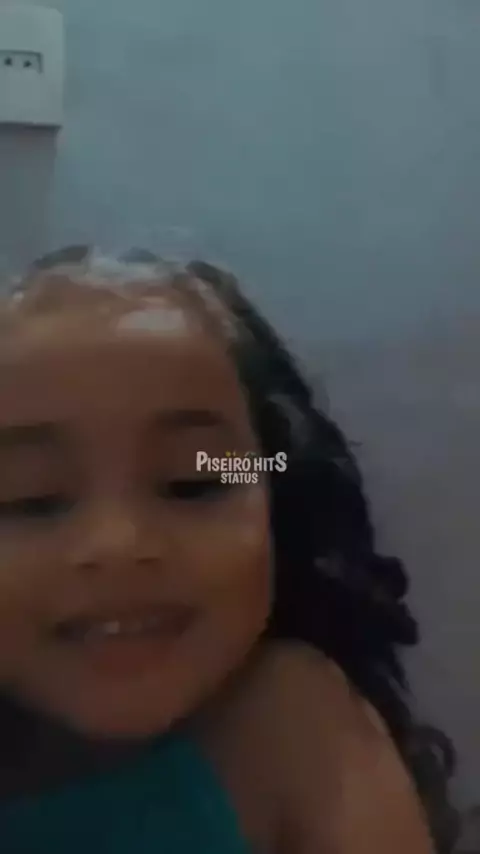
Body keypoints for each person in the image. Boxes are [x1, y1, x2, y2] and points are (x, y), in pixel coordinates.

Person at [0, 246, 447, 852]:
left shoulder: (289, 725)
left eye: (195, 482)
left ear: (279, 505)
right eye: (29, 499)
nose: (118, 544)